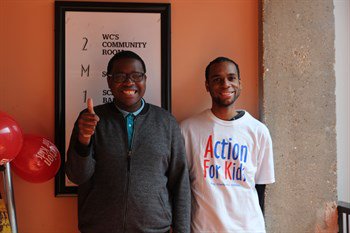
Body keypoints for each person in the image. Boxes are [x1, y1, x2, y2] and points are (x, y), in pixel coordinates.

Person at [66, 50, 190, 233]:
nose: (129, 82)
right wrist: (84, 140)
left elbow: (180, 182)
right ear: (109, 81)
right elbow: (77, 176)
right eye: (120, 76)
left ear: (145, 79)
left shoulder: (166, 122)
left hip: (154, 229)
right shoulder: (90, 119)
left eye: (136, 75)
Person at [180, 57, 275, 233]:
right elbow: (181, 187)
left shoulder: (258, 131)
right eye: (217, 79)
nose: (225, 84)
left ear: (240, 83)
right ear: (207, 86)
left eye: (231, 78)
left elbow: (261, 188)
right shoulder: (188, 130)